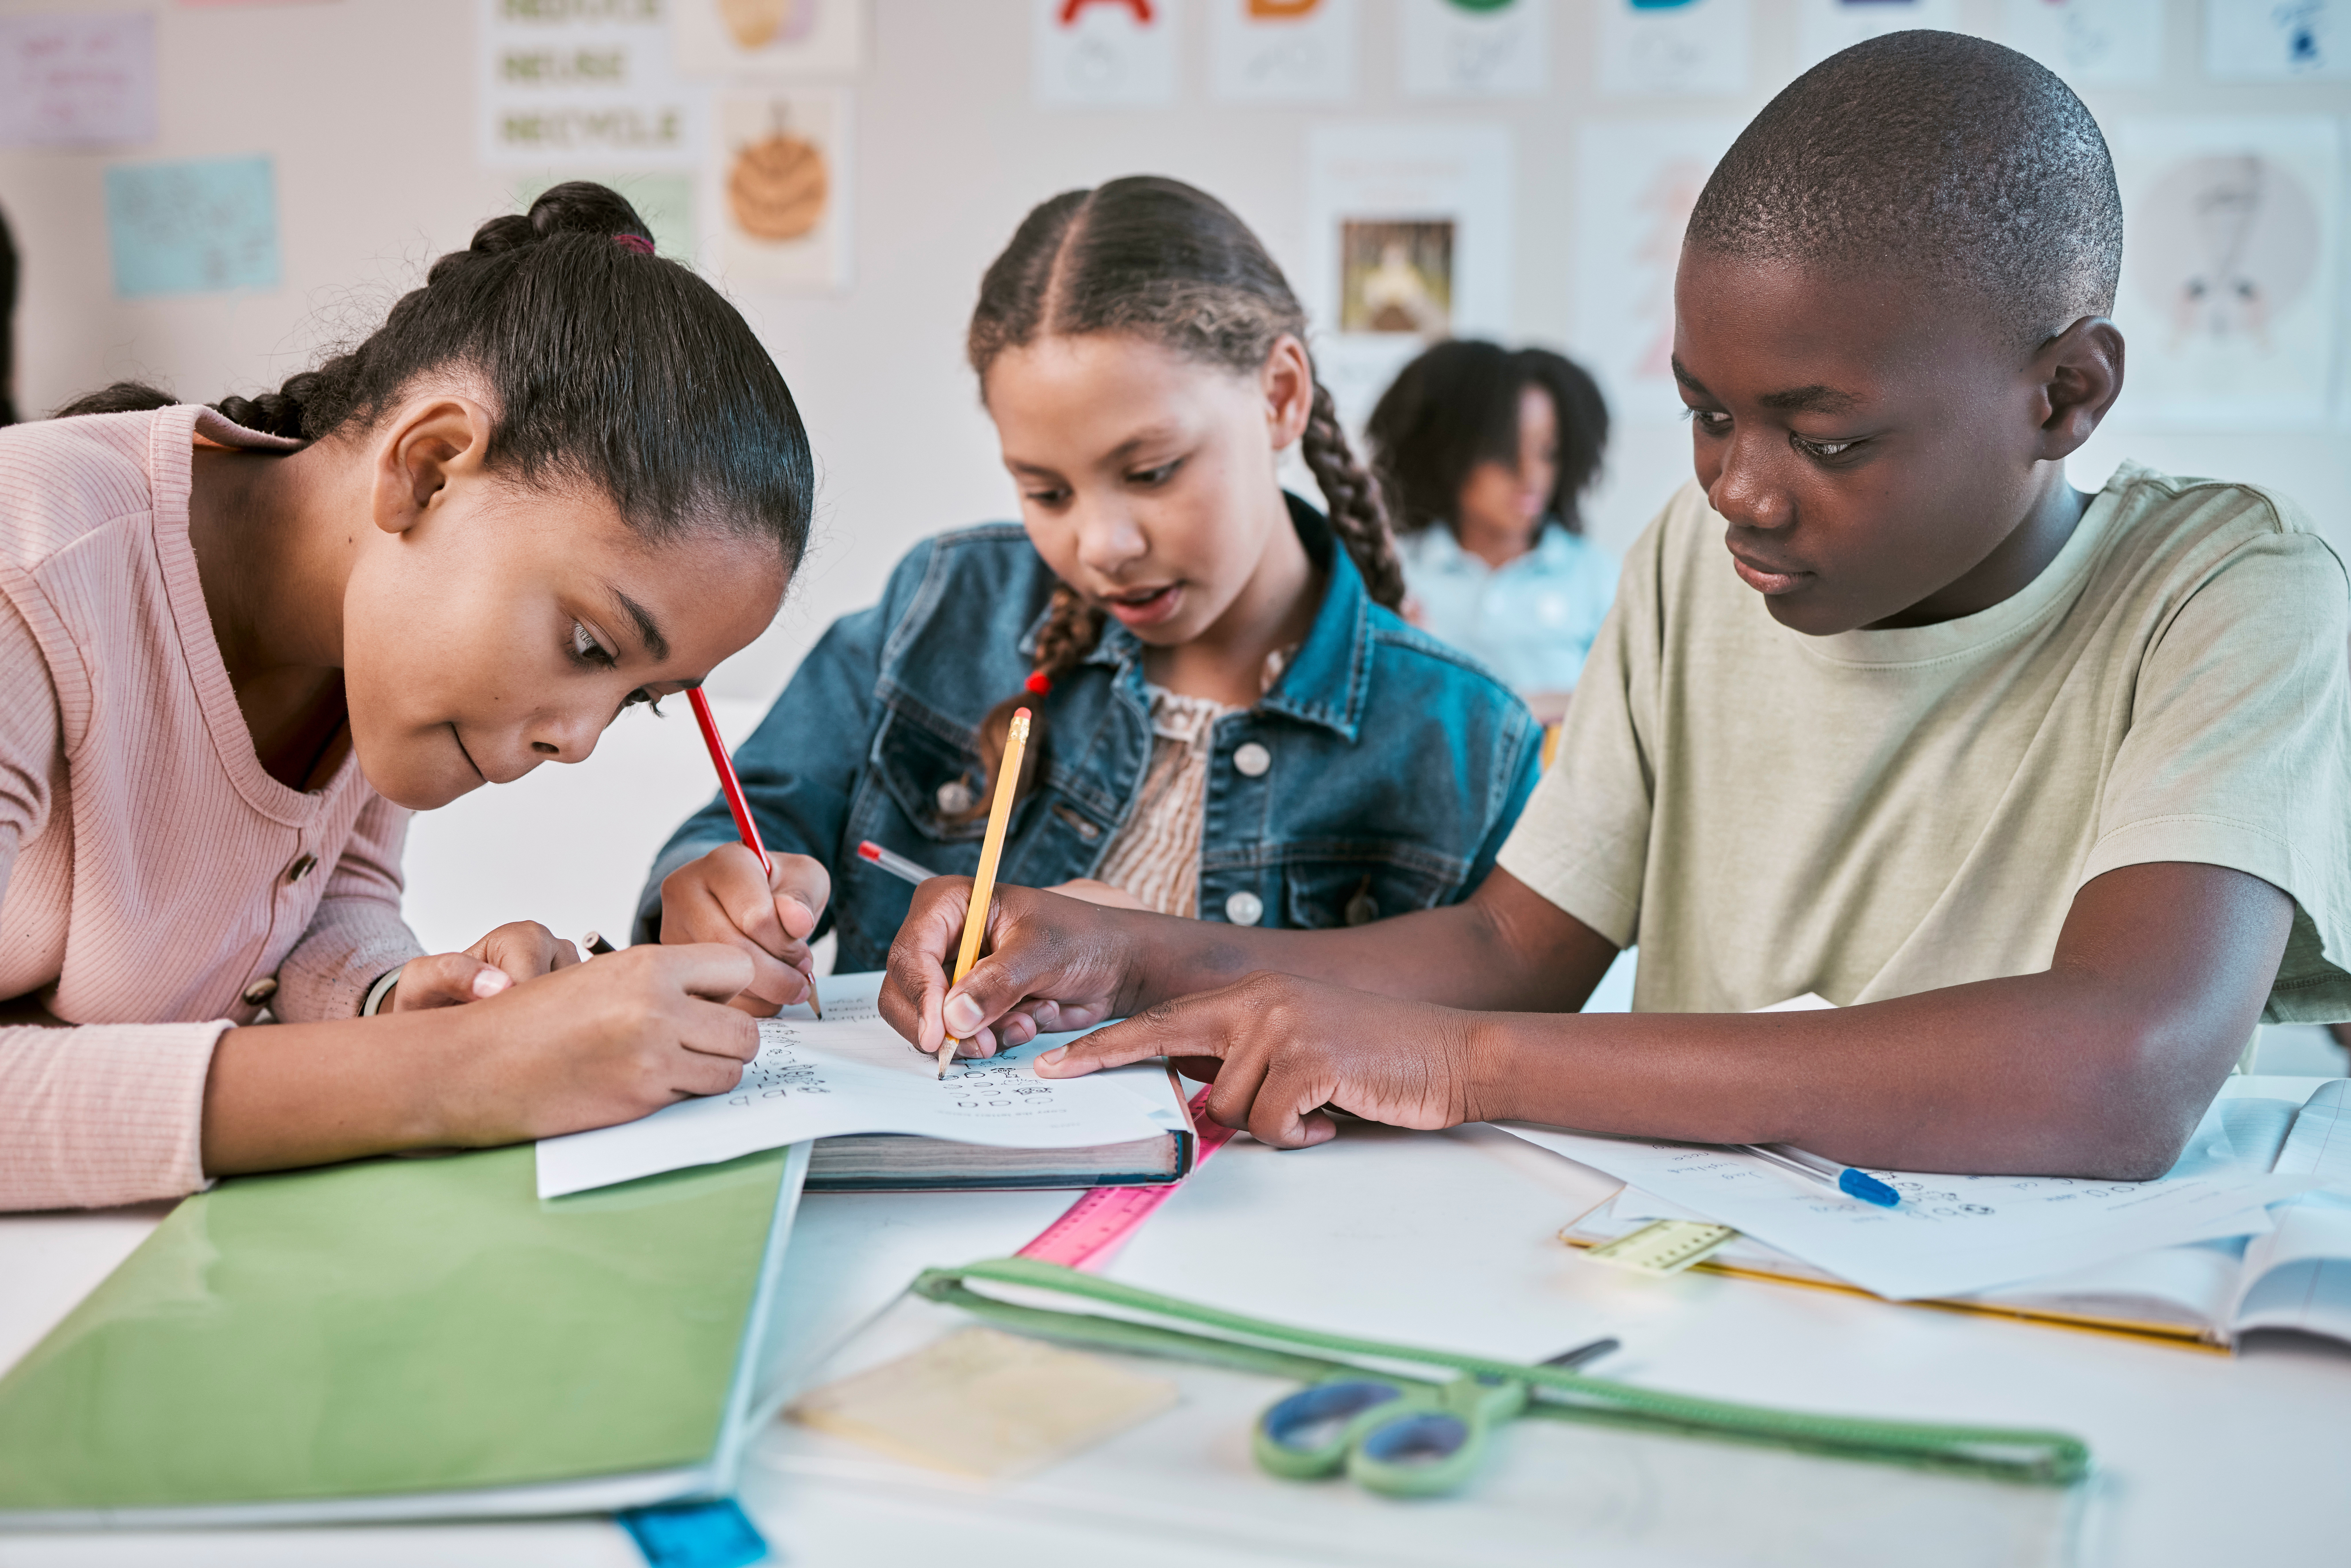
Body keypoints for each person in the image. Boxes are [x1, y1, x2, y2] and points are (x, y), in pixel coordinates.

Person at [876, 34, 2351, 1181]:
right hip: (1700, 1268)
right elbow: (1508, 952)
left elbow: (2122, 1064)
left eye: (1824, 440)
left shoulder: (2223, 593)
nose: (1743, 492)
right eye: (1707, 416)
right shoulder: (1689, 563)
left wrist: (1466, 1067)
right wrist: (1130, 950)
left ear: (2064, 393)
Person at [0, 184, 810, 1211]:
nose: (579, 740)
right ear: (427, 470)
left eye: (640, 699)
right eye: (587, 642)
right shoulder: (30, 565)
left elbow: (323, 905)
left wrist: (403, 1000)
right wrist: (464, 1069)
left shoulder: (370, 638)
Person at [642, 176, 1541, 998]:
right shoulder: (942, 607)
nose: (1101, 545)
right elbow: (746, 828)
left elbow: (1473, 1043)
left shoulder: (1461, 739)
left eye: (1150, 471)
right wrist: (715, 890)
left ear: (1278, 395)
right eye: (1046, 492)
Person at [1368, 340, 1615, 722]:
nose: (1531, 478)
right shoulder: (1392, 571)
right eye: (1503, 454)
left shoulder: (1597, 578)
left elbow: (1634, 705)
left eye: (1548, 452)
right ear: (1452, 453)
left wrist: (1494, 711)